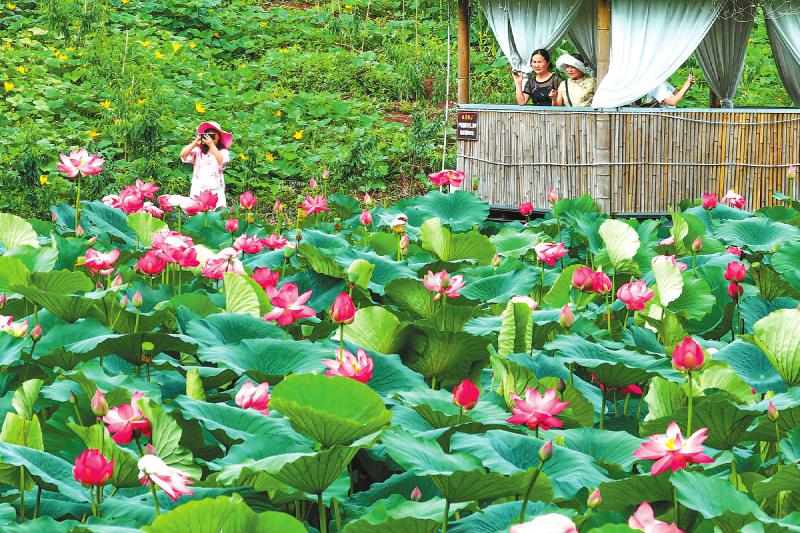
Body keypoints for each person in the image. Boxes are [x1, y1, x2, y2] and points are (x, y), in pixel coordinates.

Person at [179, 121, 232, 208]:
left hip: (215, 189)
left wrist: (211, 145)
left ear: (219, 136)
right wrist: (195, 143)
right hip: (198, 188)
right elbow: (183, 155)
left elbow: (222, 161)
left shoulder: (223, 151)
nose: (210, 136)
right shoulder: (198, 151)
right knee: (197, 212)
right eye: (207, 134)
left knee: (216, 213)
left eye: (213, 133)